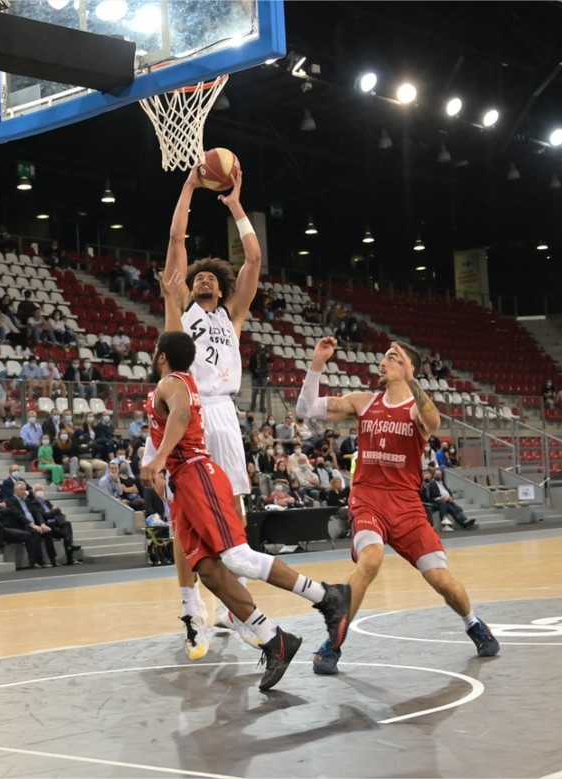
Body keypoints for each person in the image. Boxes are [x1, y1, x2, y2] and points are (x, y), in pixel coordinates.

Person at [139, 331, 350, 689]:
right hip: (183, 485)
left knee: (236, 558)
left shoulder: (173, 382)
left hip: (197, 475)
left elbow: (180, 414)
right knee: (208, 571)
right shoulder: (170, 386)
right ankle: (275, 640)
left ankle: (327, 596)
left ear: (162, 356)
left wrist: (158, 460)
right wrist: (158, 465)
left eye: (155, 350)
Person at [295, 336, 500, 675]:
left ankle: (473, 623)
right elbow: (306, 410)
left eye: (392, 357)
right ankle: (333, 643)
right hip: (368, 499)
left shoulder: (417, 409)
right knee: (371, 560)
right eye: (385, 356)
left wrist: (413, 381)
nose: (383, 361)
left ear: (408, 368)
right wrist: (317, 362)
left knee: (441, 580)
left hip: (406, 505)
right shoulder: (364, 401)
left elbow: (434, 423)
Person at [155, 162, 264, 653]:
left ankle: (231, 607)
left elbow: (254, 260)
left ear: (220, 287)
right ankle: (189, 606)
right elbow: (176, 239)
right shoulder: (180, 311)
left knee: (233, 509)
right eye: (195, 276)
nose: (201, 279)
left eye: (209, 278)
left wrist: (236, 206)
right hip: (189, 406)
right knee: (186, 514)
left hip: (223, 413)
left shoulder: (232, 316)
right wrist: (188, 186)